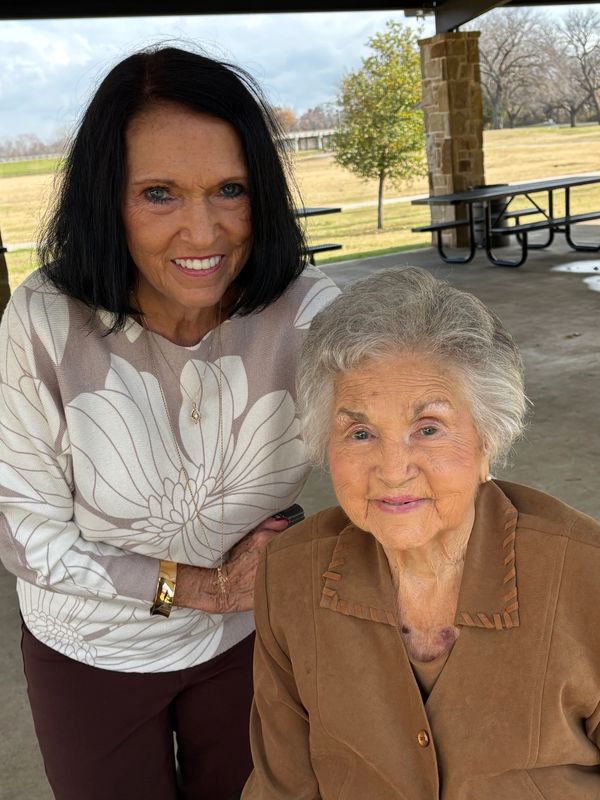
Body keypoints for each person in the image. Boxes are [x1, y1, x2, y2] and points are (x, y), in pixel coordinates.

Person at [0, 46, 339, 800]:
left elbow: (394, 442)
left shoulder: (310, 314)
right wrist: (202, 587)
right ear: (105, 199)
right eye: (159, 193)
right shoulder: (46, 319)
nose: (203, 231)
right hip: (90, 647)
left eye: (230, 189)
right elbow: (25, 531)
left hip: (249, 638)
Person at [242, 266, 600, 800]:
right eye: (360, 432)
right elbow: (282, 785)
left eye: (427, 428)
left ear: (488, 436)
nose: (392, 469)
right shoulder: (290, 573)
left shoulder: (585, 573)